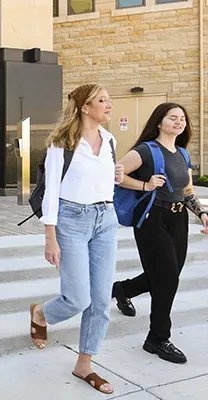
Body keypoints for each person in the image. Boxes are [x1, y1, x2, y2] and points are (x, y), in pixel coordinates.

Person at [28, 84, 123, 395]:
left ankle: (85, 363)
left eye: (109, 100)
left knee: (100, 300)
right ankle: (41, 313)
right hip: (71, 220)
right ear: (85, 106)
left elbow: (100, 180)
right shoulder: (62, 144)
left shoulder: (109, 141)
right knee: (78, 297)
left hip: (106, 220)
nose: (109, 104)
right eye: (102, 100)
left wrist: (114, 176)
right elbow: (52, 193)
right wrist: (50, 237)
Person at [111, 103, 208, 364]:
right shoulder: (146, 150)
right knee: (167, 278)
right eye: (172, 118)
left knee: (168, 274)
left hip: (178, 219)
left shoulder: (183, 154)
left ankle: (122, 289)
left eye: (182, 119)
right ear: (159, 122)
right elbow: (115, 174)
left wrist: (201, 213)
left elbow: (187, 190)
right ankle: (157, 338)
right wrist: (145, 184)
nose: (179, 122)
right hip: (153, 219)